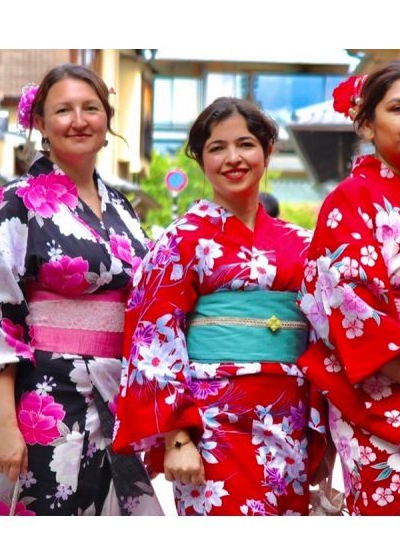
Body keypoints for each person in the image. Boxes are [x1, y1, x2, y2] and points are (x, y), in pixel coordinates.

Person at [0, 64, 161, 515]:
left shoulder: (121, 207)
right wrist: (4, 425)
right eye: (63, 110)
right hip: (44, 397)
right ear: (41, 123)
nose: (78, 120)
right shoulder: (17, 200)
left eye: (90, 108)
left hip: (114, 395)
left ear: (107, 119)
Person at [112, 97, 326, 515]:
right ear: (200, 159)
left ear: (268, 151)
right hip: (212, 428)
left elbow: (324, 332)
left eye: (245, 144)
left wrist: (324, 432)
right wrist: (177, 438)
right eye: (217, 148)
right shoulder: (183, 239)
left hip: (289, 421)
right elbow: (153, 335)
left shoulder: (301, 244)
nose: (233, 158)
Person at [297, 62, 400, 515]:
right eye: (398, 108)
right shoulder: (349, 199)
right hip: (386, 394)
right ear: (367, 123)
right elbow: (349, 310)